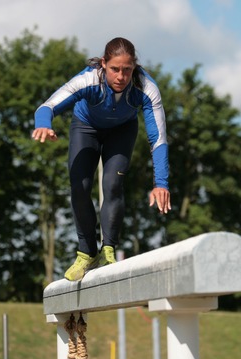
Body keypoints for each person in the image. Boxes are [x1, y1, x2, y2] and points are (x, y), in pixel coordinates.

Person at [32, 37, 171, 281]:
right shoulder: (89, 80)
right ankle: (87, 252)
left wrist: (161, 183)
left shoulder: (146, 88)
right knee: (80, 186)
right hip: (85, 127)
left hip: (122, 131)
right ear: (104, 64)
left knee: (113, 184)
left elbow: (158, 138)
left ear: (134, 68)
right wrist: (44, 124)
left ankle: (108, 250)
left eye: (127, 70)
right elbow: (47, 106)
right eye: (115, 69)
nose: (121, 76)